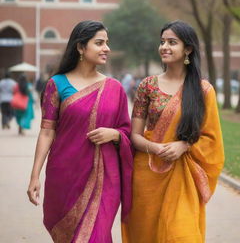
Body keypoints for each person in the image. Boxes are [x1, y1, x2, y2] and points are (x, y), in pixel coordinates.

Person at [27, 20, 133, 243]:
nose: (107, 48)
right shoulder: (56, 85)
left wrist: (114, 135)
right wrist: (35, 175)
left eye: (107, 43)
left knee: (96, 235)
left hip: (104, 178)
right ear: (80, 47)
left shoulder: (114, 88)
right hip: (65, 174)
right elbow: (47, 131)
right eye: (99, 43)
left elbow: (126, 131)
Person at [122, 20, 225, 243]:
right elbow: (135, 135)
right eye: (162, 42)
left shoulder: (202, 90)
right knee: (145, 235)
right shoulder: (147, 86)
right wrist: (155, 147)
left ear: (188, 49)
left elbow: (211, 138)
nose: (164, 47)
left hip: (182, 177)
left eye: (172, 42)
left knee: (181, 235)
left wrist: (184, 144)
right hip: (147, 175)